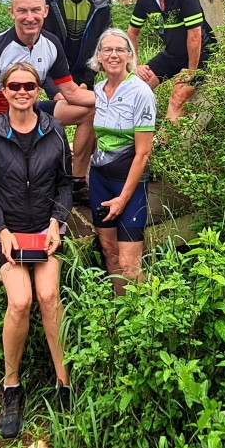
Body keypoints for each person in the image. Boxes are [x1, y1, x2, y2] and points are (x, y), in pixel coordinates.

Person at [0, 61, 73, 438]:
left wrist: (54, 223)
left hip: (45, 232)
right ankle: (11, 386)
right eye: (14, 86)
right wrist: (1, 230)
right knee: (20, 301)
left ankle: (64, 382)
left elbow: (65, 184)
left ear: (38, 89)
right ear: (5, 89)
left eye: (29, 85)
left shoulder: (55, 130)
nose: (22, 91)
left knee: (48, 295)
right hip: (8, 234)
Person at [0, 0, 96, 181]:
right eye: (22, 10)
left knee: (90, 110)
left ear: (45, 11)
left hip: (32, 110)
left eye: (36, 10)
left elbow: (72, 93)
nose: (30, 17)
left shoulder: (52, 44)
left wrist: (113, 95)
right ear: (11, 12)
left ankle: (77, 180)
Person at [86, 29, 156, 296]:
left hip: (129, 184)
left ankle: (142, 324)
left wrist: (123, 198)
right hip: (101, 180)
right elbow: (97, 135)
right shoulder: (99, 91)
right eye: (107, 50)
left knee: (129, 263)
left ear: (129, 56)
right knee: (110, 252)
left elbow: (143, 153)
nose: (113, 55)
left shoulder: (141, 93)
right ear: (99, 58)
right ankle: (120, 311)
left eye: (120, 50)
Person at [44, 0, 111, 201]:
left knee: (93, 114)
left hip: (83, 76)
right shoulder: (49, 1)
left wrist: (86, 81)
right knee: (62, 118)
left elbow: (100, 48)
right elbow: (43, 47)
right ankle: (52, 175)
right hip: (54, 78)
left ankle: (77, 179)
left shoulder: (101, 6)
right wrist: (53, 89)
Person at [128, 0, 217, 120]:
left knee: (178, 96)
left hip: (202, 54)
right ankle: (133, 139)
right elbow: (132, 32)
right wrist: (136, 65)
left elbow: (195, 35)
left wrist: (192, 70)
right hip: (173, 53)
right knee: (136, 88)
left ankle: (167, 144)